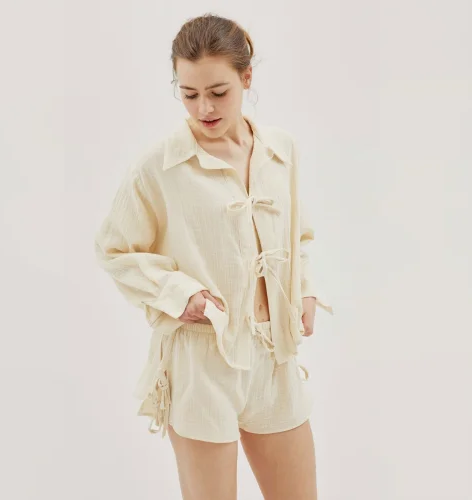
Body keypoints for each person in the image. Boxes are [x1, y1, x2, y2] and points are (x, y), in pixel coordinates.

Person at [94, 13, 333, 500]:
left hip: (275, 358)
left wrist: (303, 290)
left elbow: (298, 235)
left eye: (218, 92)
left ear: (247, 78)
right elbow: (114, 248)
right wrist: (180, 292)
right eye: (189, 94)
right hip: (202, 363)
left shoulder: (280, 151)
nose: (203, 107)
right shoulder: (159, 166)